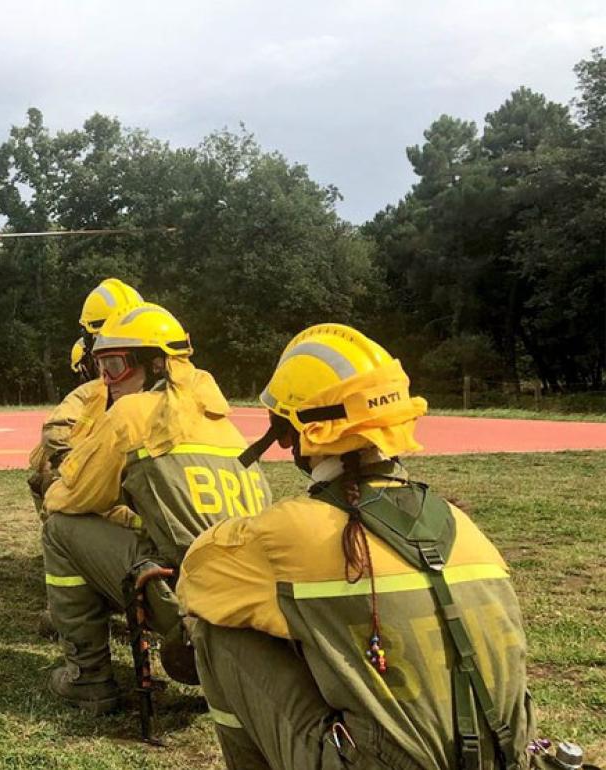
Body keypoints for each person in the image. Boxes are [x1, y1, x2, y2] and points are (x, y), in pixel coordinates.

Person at [178, 323, 535, 769]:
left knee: (218, 631)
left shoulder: (289, 533)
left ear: (294, 432)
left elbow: (197, 580)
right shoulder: (465, 526)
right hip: (504, 758)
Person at [41, 303, 271, 713]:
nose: (108, 381)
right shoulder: (224, 424)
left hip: (188, 604)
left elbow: (74, 497)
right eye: (102, 367)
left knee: (59, 527)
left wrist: (64, 490)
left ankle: (88, 678)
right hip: (250, 606)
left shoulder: (133, 412)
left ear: (157, 365)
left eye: (116, 366)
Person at [27, 278, 143, 520]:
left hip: (128, 497)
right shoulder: (186, 382)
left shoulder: (98, 390)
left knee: (43, 470)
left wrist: (77, 471)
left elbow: (55, 433)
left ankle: (66, 540)